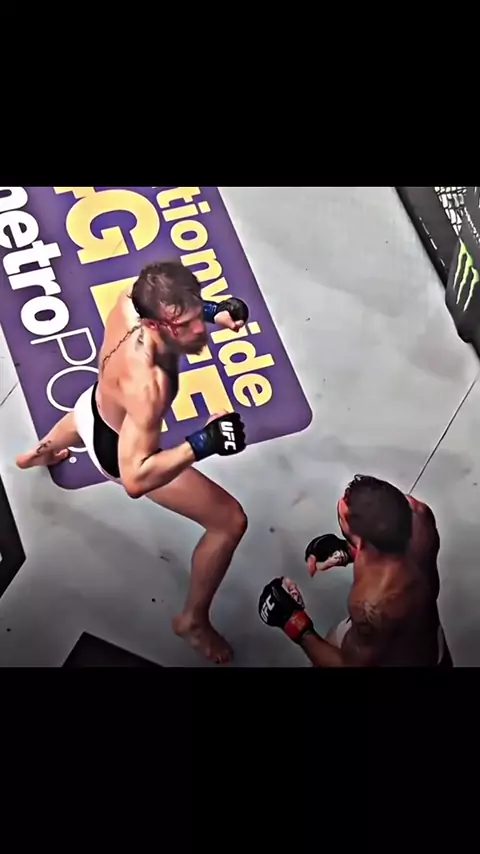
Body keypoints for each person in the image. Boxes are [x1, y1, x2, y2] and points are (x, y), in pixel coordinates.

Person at [16, 260, 250, 665]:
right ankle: (192, 621)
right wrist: (204, 441)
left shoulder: (133, 298)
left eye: (198, 315)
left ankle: (38, 454)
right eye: (187, 325)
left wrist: (215, 311)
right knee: (230, 521)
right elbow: (135, 479)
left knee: (87, 417)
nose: (200, 331)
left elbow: (161, 298)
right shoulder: (150, 385)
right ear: (156, 325)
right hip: (118, 452)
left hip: (93, 407)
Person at [259, 474, 453, 667]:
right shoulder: (418, 513)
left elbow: (347, 665)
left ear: (361, 541)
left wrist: (294, 622)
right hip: (426, 636)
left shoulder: (372, 605)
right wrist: (347, 550)